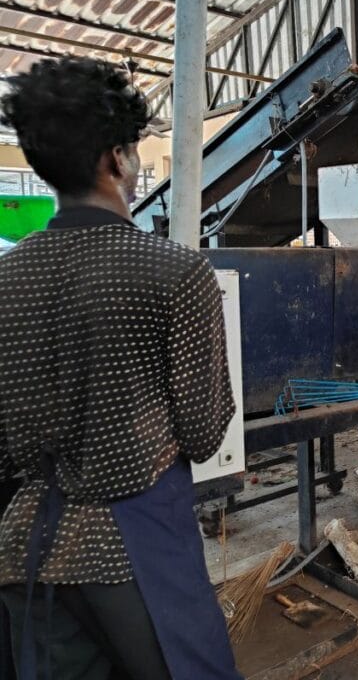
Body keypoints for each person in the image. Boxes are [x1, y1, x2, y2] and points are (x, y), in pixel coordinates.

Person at [0, 58, 241, 679]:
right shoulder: (174, 273)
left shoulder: (5, 280)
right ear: (116, 158)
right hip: (133, 550)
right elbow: (204, 431)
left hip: (24, 551)